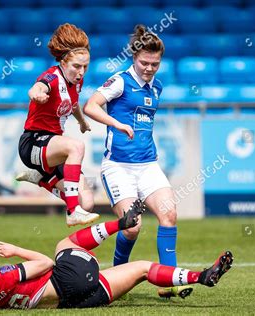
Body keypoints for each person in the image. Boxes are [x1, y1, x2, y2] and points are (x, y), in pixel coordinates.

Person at [0, 200, 233, 311]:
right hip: (68, 279)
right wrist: (14, 250)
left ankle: (202, 276)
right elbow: (46, 265)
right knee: (63, 245)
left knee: (142, 269)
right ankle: (121, 223)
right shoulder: (1, 279)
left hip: (78, 300)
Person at [83, 25, 189, 297]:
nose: (149, 68)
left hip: (148, 165)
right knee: (132, 227)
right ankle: (119, 276)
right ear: (134, 58)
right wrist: (116, 124)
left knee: (169, 214)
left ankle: (170, 282)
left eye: (155, 63)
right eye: (144, 62)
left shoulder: (158, 87)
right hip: (118, 166)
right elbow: (90, 106)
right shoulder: (119, 81)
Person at [15, 23, 99, 226]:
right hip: (33, 143)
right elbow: (37, 87)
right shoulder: (52, 77)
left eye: (85, 67)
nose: (81, 72)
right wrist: (36, 93)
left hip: (53, 148)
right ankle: (72, 212)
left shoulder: (76, 82)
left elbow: (74, 103)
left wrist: (81, 121)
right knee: (76, 146)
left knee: (87, 202)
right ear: (63, 62)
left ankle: (41, 179)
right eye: (77, 66)